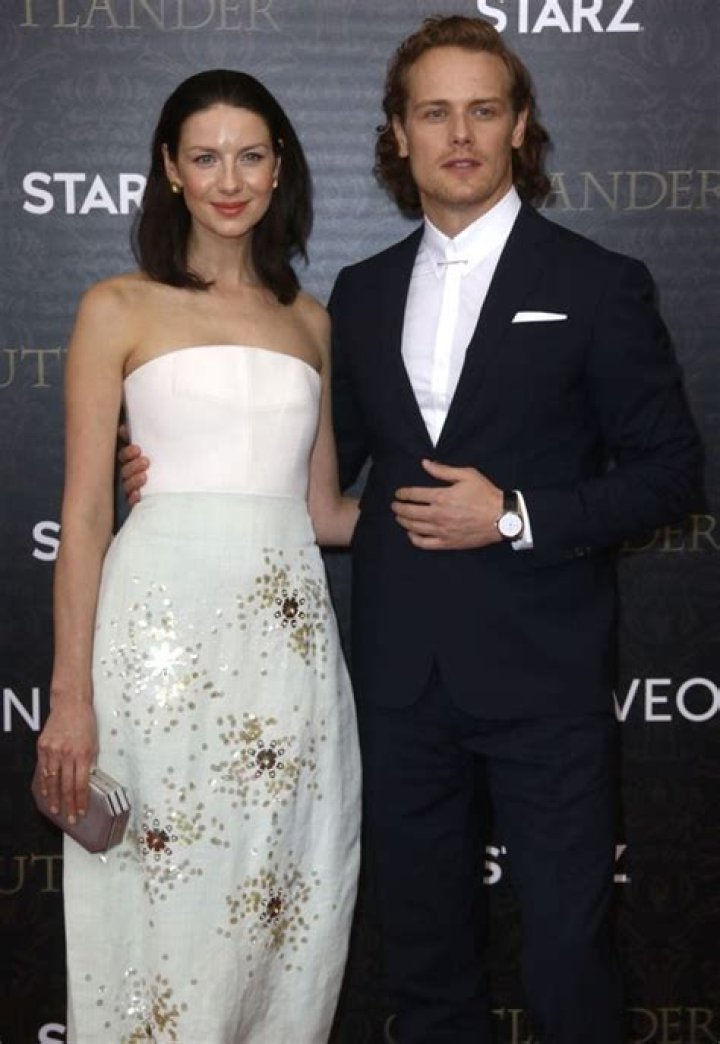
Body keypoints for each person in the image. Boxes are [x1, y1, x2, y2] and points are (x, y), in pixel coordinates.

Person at [120, 17, 702, 1044]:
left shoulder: (597, 283)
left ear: (519, 125)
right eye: (434, 112)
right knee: (428, 971)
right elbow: (310, 462)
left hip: (546, 683)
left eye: (483, 110)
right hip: (398, 688)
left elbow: (671, 475)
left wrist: (515, 515)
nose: (459, 134)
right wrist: (183, 469)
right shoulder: (362, 292)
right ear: (398, 134)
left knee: (568, 960)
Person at [35, 69, 361, 1043]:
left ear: (279, 168)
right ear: (171, 170)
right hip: (158, 651)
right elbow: (84, 514)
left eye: (251, 156)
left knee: (281, 910)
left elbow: (325, 512)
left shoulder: (311, 323)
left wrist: (496, 487)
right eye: (206, 157)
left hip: (289, 661)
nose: (230, 180)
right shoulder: (116, 306)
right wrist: (70, 698)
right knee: (161, 909)